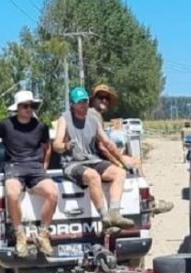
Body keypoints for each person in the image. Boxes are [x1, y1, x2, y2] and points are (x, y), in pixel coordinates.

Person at [52, 85, 138, 227]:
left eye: (85, 101)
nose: (83, 104)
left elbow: (107, 143)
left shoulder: (93, 120)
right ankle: (104, 217)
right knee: (93, 176)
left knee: (119, 173)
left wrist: (123, 162)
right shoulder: (65, 119)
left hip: (92, 160)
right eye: (80, 102)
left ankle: (114, 213)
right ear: (72, 104)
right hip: (72, 164)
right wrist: (65, 146)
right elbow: (56, 145)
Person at [0, 89, 58, 259]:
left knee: (53, 193)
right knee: (12, 193)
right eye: (25, 106)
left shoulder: (41, 127)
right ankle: (20, 235)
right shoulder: (4, 125)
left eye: (31, 106)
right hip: (14, 166)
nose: (29, 109)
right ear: (17, 108)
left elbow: (48, 147)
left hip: (35, 168)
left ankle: (43, 235)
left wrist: (44, 167)